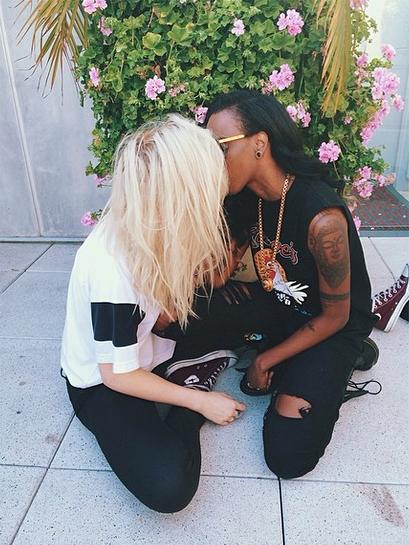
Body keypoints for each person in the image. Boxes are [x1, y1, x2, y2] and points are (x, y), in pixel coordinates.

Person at [60, 114, 246, 513]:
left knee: (245, 310)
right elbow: (118, 375)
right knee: (169, 488)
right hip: (104, 381)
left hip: (147, 342)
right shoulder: (110, 269)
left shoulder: (155, 224)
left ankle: (180, 370)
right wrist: (199, 403)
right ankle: (189, 391)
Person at [204, 89, 380, 479]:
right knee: (191, 316)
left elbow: (336, 317)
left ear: (259, 143)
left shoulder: (322, 216)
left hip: (330, 324)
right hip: (278, 306)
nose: (212, 160)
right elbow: (216, 277)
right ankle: (286, 357)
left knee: (287, 455)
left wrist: (265, 361)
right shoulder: (243, 198)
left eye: (220, 148)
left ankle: (341, 361)